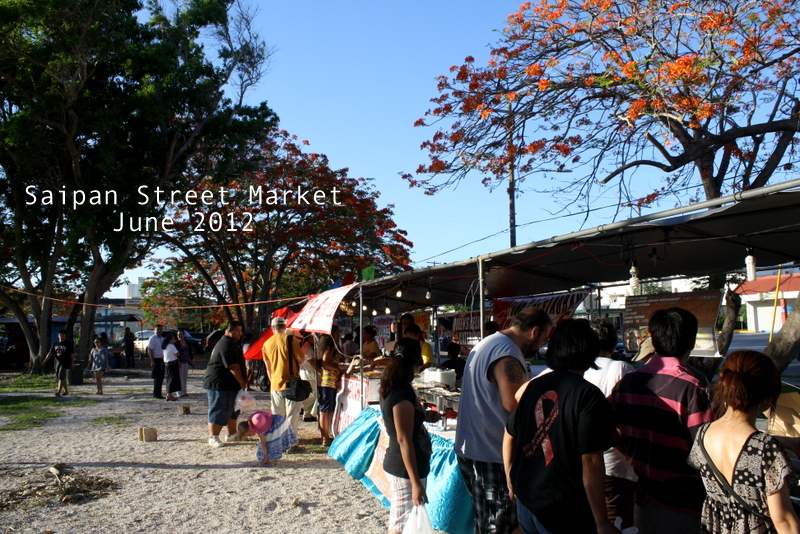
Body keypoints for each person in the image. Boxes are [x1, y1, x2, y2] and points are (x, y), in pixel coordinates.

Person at [503, 319, 620, 534]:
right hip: (564, 510)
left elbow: (509, 433)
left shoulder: (534, 386)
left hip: (528, 503)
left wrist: (511, 477)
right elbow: (591, 460)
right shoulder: (588, 395)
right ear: (589, 349)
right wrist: (602, 521)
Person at [609, 307, 714, 534]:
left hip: (644, 494)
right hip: (683, 502)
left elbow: (600, 422)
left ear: (653, 342)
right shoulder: (692, 386)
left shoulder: (629, 382)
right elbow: (706, 448)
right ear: (692, 342)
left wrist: (628, 452)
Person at [455, 307, 553, 534]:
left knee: (488, 522)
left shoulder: (487, 342)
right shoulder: (507, 352)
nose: (541, 345)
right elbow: (513, 404)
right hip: (492, 454)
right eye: (543, 338)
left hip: (475, 449)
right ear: (534, 331)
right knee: (499, 526)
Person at [687, 351, 800, 534]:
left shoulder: (703, 434)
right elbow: (784, 520)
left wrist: (788, 442)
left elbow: (735, 443)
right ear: (768, 396)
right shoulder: (765, 448)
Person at [583, 320, 637, 529]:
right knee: (615, 522)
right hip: (614, 466)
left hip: (583, 464)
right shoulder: (620, 368)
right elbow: (626, 419)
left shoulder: (576, 369)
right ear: (614, 345)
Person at [379, 337, 431, 534]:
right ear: (416, 363)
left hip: (408, 466)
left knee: (405, 519)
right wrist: (416, 483)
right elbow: (403, 440)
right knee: (401, 523)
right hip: (405, 469)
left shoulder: (396, 387)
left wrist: (423, 416)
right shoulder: (401, 393)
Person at [202, 321, 247, 447]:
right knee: (219, 409)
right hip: (219, 384)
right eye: (237, 331)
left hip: (230, 384)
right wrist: (242, 382)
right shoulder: (226, 344)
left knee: (232, 410)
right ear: (229, 330)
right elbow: (233, 366)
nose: (240, 333)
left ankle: (231, 434)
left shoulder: (233, 343)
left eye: (240, 331)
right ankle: (213, 436)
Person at [262, 316, 304, 436]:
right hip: (292, 383)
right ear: (284, 327)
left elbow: (268, 367)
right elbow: (301, 360)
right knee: (292, 414)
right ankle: (290, 442)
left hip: (275, 382)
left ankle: (278, 439)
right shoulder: (292, 340)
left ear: (272, 328)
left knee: (277, 415)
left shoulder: (266, 344)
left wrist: (273, 381)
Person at [235, 410, 299, 466]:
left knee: (271, 441)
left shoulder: (257, 427)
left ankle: (270, 459)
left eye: (249, 434)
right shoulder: (252, 420)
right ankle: (271, 458)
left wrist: (265, 457)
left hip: (277, 424)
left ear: (249, 429)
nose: (250, 435)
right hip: (280, 419)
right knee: (270, 438)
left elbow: (264, 444)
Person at [317, 326, 341, 446]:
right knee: (325, 411)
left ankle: (325, 436)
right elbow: (325, 363)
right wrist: (336, 368)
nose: (339, 336)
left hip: (325, 382)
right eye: (337, 333)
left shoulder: (325, 347)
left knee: (324, 410)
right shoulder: (329, 348)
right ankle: (325, 438)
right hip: (328, 382)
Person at [43, 330, 74, 397]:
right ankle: (66, 391)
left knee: (61, 376)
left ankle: (58, 391)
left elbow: (71, 354)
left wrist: (72, 363)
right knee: (62, 377)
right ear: (58, 336)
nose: (61, 336)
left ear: (65, 336)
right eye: (60, 335)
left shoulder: (68, 344)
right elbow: (50, 353)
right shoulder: (55, 344)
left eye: (63, 335)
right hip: (57, 362)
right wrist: (45, 360)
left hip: (65, 362)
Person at [299, 332, 320, 423]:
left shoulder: (302, 346)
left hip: (303, 373)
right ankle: (308, 411)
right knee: (314, 394)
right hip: (310, 373)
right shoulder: (307, 347)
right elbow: (311, 361)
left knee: (309, 394)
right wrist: (319, 370)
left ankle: (307, 414)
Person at [147, 325, 165, 399]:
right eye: (158, 329)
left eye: (160, 329)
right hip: (156, 359)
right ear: (154, 330)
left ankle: (159, 393)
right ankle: (156, 394)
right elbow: (150, 350)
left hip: (162, 359)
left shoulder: (163, 339)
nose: (159, 331)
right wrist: (152, 361)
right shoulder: (152, 338)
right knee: (157, 377)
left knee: (161, 377)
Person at [175, 330, 195, 397]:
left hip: (186, 361)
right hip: (179, 362)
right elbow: (175, 354)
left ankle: (184, 391)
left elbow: (190, 352)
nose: (180, 336)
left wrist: (192, 360)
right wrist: (178, 362)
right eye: (179, 334)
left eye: (181, 334)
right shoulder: (176, 344)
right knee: (180, 377)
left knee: (185, 377)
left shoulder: (187, 342)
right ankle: (179, 392)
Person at [162, 334, 181, 402]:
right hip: (172, 363)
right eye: (173, 338)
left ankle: (169, 393)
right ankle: (169, 394)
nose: (174, 340)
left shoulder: (165, 346)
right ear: (170, 339)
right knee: (172, 379)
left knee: (169, 379)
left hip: (167, 363)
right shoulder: (171, 346)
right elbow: (177, 354)